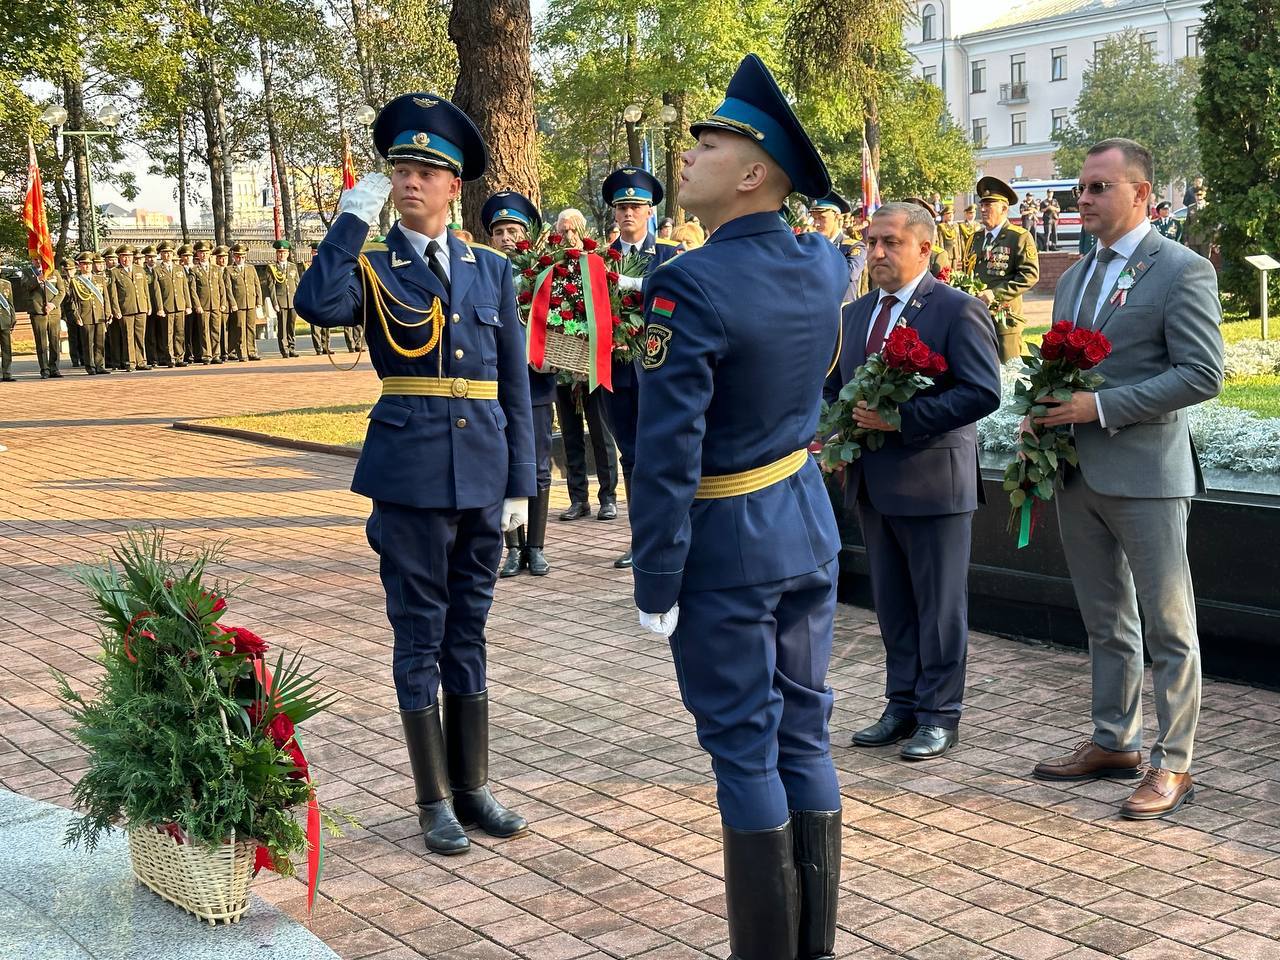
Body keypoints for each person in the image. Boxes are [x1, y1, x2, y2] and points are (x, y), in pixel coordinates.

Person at [630, 54, 848, 960]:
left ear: (755, 173)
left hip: (728, 540)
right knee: (805, 727)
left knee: (745, 750)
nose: (690, 157)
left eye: (710, 144)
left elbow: (667, 447)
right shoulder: (823, 261)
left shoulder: (689, 283)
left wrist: (656, 579)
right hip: (804, 519)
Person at [295, 91, 535, 857]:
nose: (409, 181)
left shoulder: (490, 268)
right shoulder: (370, 262)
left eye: (426, 171)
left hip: (485, 473)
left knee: (470, 633)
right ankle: (433, 798)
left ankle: (475, 788)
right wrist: (347, 222)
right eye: (400, 168)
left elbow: (513, 385)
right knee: (418, 635)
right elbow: (315, 303)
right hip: (408, 475)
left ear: (453, 185)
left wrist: (525, 484)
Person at [1030, 138, 1224, 820]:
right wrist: (1045, 414)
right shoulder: (1079, 275)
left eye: (1098, 188)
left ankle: (1174, 763)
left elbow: (1203, 374)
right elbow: (1064, 369)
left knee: (1169, 627)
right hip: (1078, 471)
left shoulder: (1182, 270)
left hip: (1147, 475)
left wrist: (1099, 407)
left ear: (1141, 194)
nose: (1082, 199)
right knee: (1106, 620)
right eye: (1080, 188)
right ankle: (1115, 741)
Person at [828, 201, 1001, 761]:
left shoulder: (956, 310)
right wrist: (831, 434)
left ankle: (940, 714)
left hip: (933, 484)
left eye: (889, 243)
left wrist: (901, 420)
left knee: (939, 607)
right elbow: (836, 390)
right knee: (894, 605)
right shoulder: (853, 316)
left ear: (924, 248)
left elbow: (981, 392)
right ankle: (901, 704)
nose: (875, 252)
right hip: (872, 484)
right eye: (870, 241)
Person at [601, 167, 684, 568]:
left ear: (651, 211)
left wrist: (641, 286)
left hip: (659, 370)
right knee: (630, 456)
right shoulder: (599, 261)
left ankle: (669, 531)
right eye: (622, 207)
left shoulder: (669, 256)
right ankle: (641, 539)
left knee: (662, 453)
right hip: (616, 372)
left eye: (635, 206)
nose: (628, 214)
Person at [484, 190, 555, 579]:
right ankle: (512, 548)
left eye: (514, 230)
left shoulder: (546, 274)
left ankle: (537, 547)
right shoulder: (483, 272)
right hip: (495, 385)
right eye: (500, 231)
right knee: (503, 463)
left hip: (536, 382)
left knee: (539, 464)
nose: (507, 237)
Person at [552, 207, 620, 524]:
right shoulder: (551, 270)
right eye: (563, 230)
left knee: (601, 433)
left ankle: (608, 497)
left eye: (572, 229)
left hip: (593, 365)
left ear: (583, 231)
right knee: (570, 435)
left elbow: (610, 309)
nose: (568, 236)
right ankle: (577, 498)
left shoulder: (597, 264)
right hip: (563, 366)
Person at [972, 176, 1040, 362]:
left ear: (1004, 208)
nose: (983, 209)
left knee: (1007, 375)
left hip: (1004, 318)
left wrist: (995, 294)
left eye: (989, 205)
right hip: (977, 318)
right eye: (982, 204)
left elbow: (1029, 275)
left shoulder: (1018, 236)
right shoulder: (976, 237)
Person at [808, 192, 867, 300]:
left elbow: (850, 273)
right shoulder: (810, 246)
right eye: (814, 218)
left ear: (837, 217)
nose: (816, 223)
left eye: (821, 218)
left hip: (843, 313)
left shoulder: (854, 246)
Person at [68, 252, 109, 375]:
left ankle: (100, 365)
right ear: (80, 266)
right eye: (84, 264)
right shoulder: (75, 281)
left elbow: (106, 298)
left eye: (89, 264)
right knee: (88, 343)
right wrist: (76, 316)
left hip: (99, 315)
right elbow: (72, 301)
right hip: (85, 315)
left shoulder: (100, 279)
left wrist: (108, 313)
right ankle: (90, 366)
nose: (87, 267)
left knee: (100, 341)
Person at [111, 244, 151, 371]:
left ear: (133, 257)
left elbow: (145, 290)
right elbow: (113, 294)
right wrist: (116, 309)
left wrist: (148, 305)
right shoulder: (115, 272)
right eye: (123, 256)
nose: (126, 259)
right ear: (119, 258)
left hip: (141, 307)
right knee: (128, 337)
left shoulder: (140, 270)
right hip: (126, 309)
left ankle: (141, 361)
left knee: (140, 335)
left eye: (128, 256)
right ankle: (131, 362)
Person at [25, 257, 65, 379]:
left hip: (53, 311)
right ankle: (45, 369)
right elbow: (25, 287)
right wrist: (38, 280)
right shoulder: (27, 272)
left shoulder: (54, 272)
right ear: (32, 260)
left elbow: (61, 291)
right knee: (41, 342)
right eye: (35, 259)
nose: (38, 261)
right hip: (38, 311)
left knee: (54, 341)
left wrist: (53, 304)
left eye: (40, 259)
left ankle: (54, 368)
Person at [264, 240, 301, 358]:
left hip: (292, 301)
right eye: (280, 252)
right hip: (281, 301)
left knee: (291, 325)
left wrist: (299, 300)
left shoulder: (292, 267)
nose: (282, 255)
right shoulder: (272, 268)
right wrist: (275, 303)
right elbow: (271, 287)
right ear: (277, 254)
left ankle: (292, 347)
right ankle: (284, 349)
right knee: (282, 326)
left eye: (284, 252)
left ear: (288, 253)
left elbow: (297, 284)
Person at [227, 243, 263, 361]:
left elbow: (256, 284)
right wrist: (233, 303)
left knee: (251, 327)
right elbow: (228, 288)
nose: (240, 259)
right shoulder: (229, 270)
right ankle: (242, 352)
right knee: (239, 328)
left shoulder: (250, 268)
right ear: (234, 256)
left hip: (250, 301)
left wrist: (259, 301)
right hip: (239, 303)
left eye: (242, 256)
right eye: (238, 256)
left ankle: (252, 351)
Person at [210, 245, 235, 362]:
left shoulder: (231, 269)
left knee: (233, 328)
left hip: (233, 303)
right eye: (220, 257)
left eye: (224, 257)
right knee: (221, 328)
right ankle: (223, 352)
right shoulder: (215, 271)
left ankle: (231, 350)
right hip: (221, 303)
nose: (223, 260)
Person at [935, 202, 962, 266]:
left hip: (955, 252)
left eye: (952, 213)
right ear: (944, 215)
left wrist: (959, 253)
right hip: (947, 253)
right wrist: (942, 254)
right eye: (948, 214)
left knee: (955, 273)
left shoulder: (956, 226)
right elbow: (940, 241)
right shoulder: (941, 226)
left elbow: (958, 240)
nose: (951, 215)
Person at [0, 272, 14, 382]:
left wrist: (13, 318)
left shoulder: (6, 284)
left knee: (6, 348)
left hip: (4, 319)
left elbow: (10, 303)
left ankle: (7, 373)